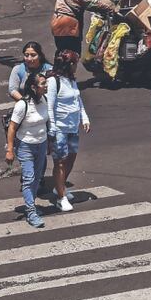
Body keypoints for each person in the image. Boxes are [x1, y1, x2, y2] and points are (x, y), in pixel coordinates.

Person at [5, 71, 51, 228]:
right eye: (43, 84)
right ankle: (31, 212)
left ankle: (32, 206)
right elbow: (12, 128)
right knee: (29, 178)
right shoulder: (22, 105)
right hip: (25, 146)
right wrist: (10, 150)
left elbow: (46, 122)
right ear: (33, 87)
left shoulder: (44, 99)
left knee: (37, 179)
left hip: (42, 144)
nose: (46, 86)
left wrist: (49, 143)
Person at [47, 49, 90, 212]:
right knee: (60, 161)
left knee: (71, 158)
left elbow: (78, 101)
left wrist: (84, 118)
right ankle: (61, 197)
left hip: (73, 128)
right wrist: (52, 127)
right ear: (69, 64)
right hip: (59, 129)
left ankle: (60, 186)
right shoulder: (54, 82)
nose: (76, 67)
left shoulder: (71, 81)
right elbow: (50, 107)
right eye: (75, 64)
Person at [51, 0, 117, 56]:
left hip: (56, 21)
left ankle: (59, 66)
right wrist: (112, 9)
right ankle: (70, 67)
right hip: (67, 24)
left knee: (61, 50)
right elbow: (94, 4)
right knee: (73, 52)